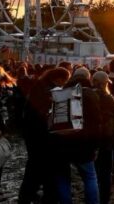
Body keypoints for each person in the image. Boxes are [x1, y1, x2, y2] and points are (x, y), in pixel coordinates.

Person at [19, 67, 71, 204]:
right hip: (46, 138)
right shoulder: (52, 92)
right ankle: (45, 198)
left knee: (33, 171)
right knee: (46, 173)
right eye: (64, 81)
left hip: (33, 136)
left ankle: (25, 198)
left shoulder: (38, 86)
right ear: (59, 79)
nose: (64, 84)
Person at [53, 67, 101, 204]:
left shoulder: (62, 92)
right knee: (90, 177)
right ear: (88, 78)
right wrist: (95, 146)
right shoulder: (91, 94)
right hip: (84, 143)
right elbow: (96, 122)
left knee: (63, 178)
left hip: (62, 142)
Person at [93, 71, 114, 204]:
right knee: (105, 171)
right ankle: (104, 198)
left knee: (93, 170)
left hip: (91, 137)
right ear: (104, 83)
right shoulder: (108, 97)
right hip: (107, 137)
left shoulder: (87, 94)